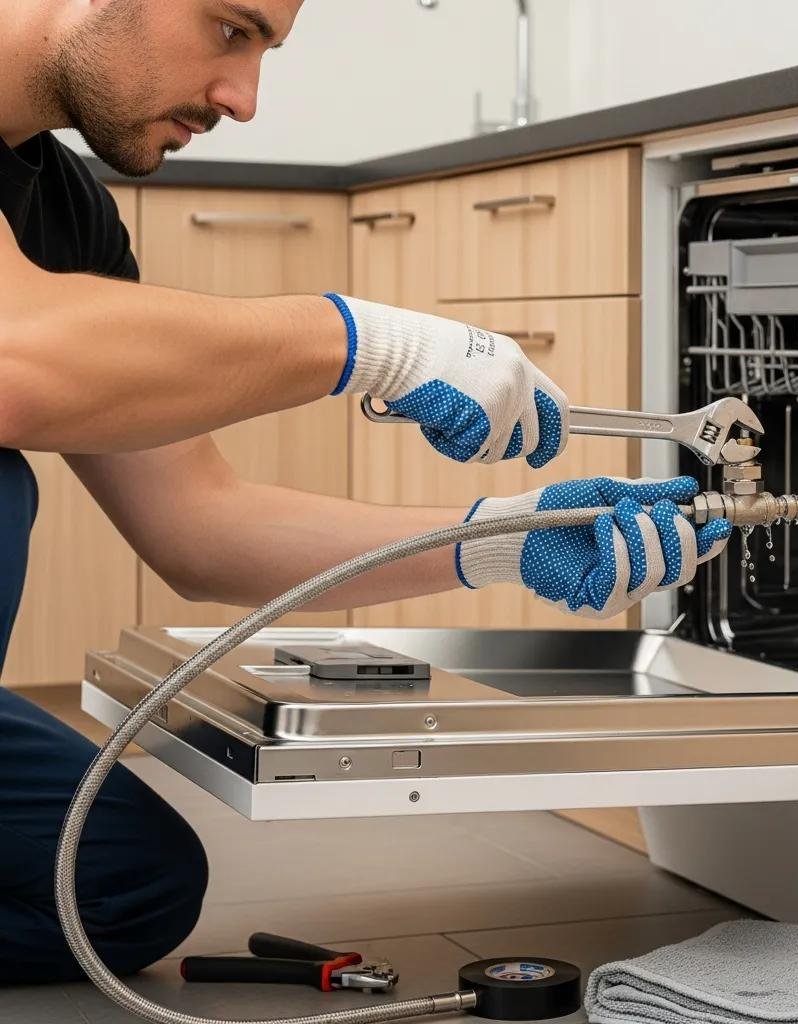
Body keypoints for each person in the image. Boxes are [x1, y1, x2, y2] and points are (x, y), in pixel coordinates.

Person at [0, 0, 731, 984]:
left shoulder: (67, 212)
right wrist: (364, 341)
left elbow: (199, 524)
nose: (243, 98)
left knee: (123, 886)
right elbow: (13, 365)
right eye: (231, 28)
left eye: (266, 50)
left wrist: (504, 537)